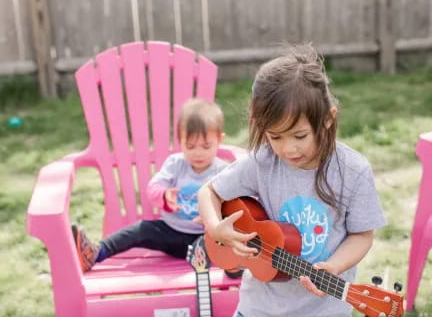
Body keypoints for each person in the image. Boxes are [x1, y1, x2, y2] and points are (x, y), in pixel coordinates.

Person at [198, 43, 387, 316]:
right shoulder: (263, 162)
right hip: (258, 308)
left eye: (299, 136)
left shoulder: (352, 171)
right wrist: (216, 228)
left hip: (323, 311)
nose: (288, 149)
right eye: (275, 137)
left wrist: (334, 266)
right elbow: (209, 192)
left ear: (327, 120)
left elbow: (362, 236)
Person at [72, 98, 242, 278]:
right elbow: (153, 187)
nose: (197, 152)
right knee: (142, 229)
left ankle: (232, 264)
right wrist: (164, 195)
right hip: (171, 232)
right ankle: (96, 253)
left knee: (219, 238)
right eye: (190, 146)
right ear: (180, 141)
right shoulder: (176, 164)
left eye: (206, 146)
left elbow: (234, 203)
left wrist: (216, 215)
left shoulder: (222, 171)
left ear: (219, 140)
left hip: (204, 237)